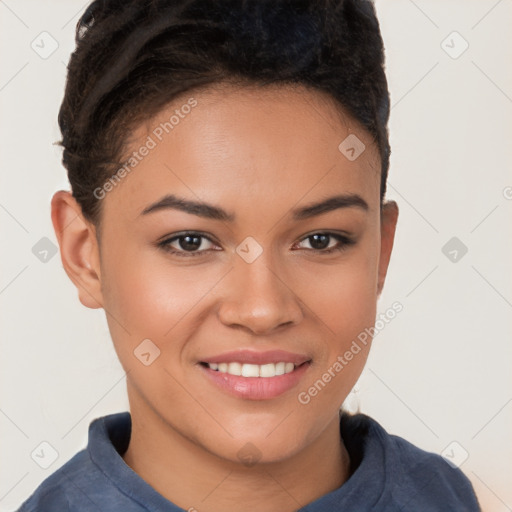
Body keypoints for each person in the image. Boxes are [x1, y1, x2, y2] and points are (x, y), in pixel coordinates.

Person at [17, 0, 481, 510]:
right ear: (86, 256)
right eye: (190, 242)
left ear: (381, 253)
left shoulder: (444, 496)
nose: (262, 310)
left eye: (321, 240)